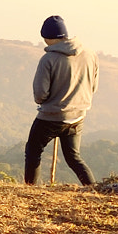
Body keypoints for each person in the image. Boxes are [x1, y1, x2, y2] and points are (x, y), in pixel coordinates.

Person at [26, 15, 98, 186]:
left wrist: (49, 101)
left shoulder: (48, 60)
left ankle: (30, 189)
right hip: (78, 116)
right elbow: (92, 87)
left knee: (33, 152)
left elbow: (40, 94)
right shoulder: (90, 55)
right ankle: (94, 189)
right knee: (74, 158)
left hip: (51, 117)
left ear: (47, 37)